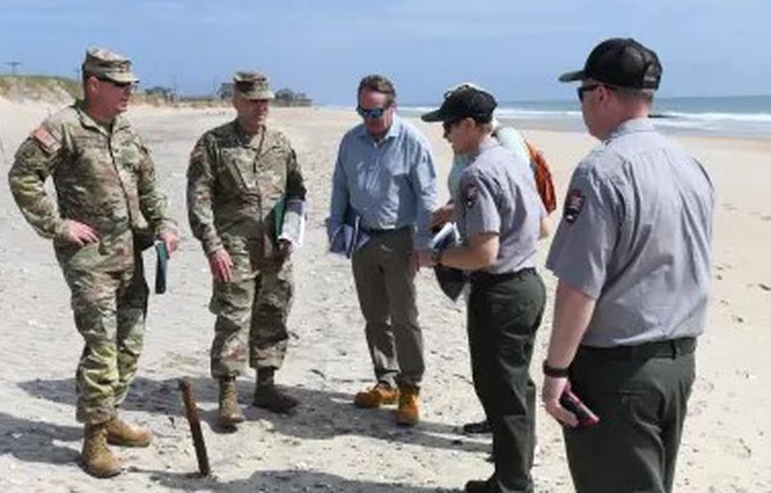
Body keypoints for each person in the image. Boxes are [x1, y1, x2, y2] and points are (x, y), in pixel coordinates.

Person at [541, 38, 714, 493]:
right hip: (678, 364)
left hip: (618, 373)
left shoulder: (602, 171)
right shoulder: (689, 164)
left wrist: (556, 371)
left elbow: (579, 286)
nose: (580, 107)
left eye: (581, 94)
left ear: (600, 93)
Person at [8, 47, 180, 478]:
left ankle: (111, 416)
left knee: (129, 344)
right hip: (89, 260)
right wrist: (57, 224)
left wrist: (166, 225)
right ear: (93, 85)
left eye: (131, 85)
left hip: (130, 255)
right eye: (121, 85)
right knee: (102, 347)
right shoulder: (62, 127)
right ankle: (94, 440)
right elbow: (23, 176)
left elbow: (151, 188)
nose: (129, 93)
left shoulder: (126, 131)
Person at [417, 83, 548, 493]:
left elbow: (483, 254)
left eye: (449, 126)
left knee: (500, 389)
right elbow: (541, 226)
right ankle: (516, 469)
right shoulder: (512, 160)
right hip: (528, 284)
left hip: (502, 292)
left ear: (470, 125)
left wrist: (436, 257)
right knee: (518, 386)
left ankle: (511, 483)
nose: (445, 135)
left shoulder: (477, 174)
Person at [186, 71, 306, 430]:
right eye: (253, 101)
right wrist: (212, 247)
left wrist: (291, 232)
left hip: (275, 246)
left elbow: (297, 192)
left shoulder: (280, 144)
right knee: (234, 317)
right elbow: (199, 199)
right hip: (233, 245)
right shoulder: (213, 144)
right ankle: (228, 395)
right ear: (236, 101)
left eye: (265, 101)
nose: (261, 107)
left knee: (273, 312)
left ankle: (266, 387)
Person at [328, 74, 437, 426]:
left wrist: (423, 244)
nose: (368, 119)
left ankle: (410, 386)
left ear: (393, 107)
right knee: (374, 315)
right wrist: (336, 227)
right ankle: (385, 380)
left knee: (404, 317)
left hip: (400, 239)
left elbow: (427, 197)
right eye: (362, 111)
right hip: (361, 237)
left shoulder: (412, 141)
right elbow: (340, 186)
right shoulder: (351, 140)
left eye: (375, 112)